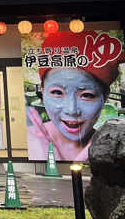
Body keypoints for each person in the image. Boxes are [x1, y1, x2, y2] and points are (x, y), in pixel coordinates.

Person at [26, 29, 124, 161]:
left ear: (105, 96)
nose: (72, 110)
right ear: (43, 92)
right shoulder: (30, 140)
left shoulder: (112, 148)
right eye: (57, 92)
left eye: (87, 95)